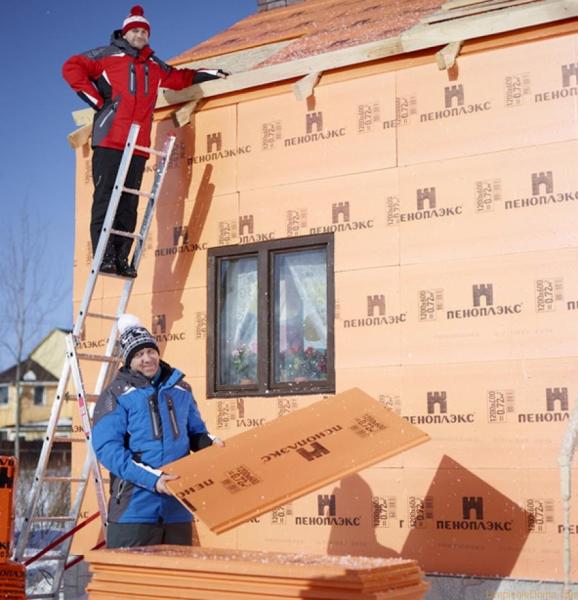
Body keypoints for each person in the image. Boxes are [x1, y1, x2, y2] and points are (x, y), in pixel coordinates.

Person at [62, 5, 229, 277]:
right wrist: (95, 99)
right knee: (106, 199)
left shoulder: (153, 64)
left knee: (129, 203)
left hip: (137, 144)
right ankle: (103, 256)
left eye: (144, 31)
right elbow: (71, 66)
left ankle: (121, 259)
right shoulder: (107, 55)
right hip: (109, 139)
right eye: (135, 31)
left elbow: (178, 78)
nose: (140, 35)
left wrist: (209, 72)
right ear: (126, 33)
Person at [92, 313, 223, 548]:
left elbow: (195, 434)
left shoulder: (181, 389)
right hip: (135, 510)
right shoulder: (115, 395)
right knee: (130, 583)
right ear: (128, 361)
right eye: (139, 354)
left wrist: (211, 443)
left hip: (177, 509)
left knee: (176, 582)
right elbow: (108, 450)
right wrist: (154, 480)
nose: (147, 359)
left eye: (150, 351)